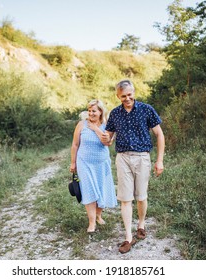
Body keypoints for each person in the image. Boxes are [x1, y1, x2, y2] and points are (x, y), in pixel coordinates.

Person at [101, 79, 165, 254]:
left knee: (141, 196)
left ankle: (141, 224)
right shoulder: (115, 113)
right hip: (123, 158)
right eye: (123, 96)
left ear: (134, 92)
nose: (127, 98)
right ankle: (128, 237)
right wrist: (106, 138)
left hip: (142, 157)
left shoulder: (146, 109)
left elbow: (159, 135)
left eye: (130, 95)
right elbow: (109, 137)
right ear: (118, 96)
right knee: (125, 198)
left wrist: (159, 161)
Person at [70, 99, 117, 233]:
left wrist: (95, 128)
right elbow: (75, 145)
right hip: (84, 162)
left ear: (101, 112)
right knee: (89, 190)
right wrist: (73, 162)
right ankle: (91, 222)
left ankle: (98, 215)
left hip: (102, 163)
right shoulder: (81, 124)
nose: (90, 113)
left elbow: (107, 142)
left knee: (102, 189)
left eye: (94, 111)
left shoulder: (107, 125)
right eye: (89, 111)